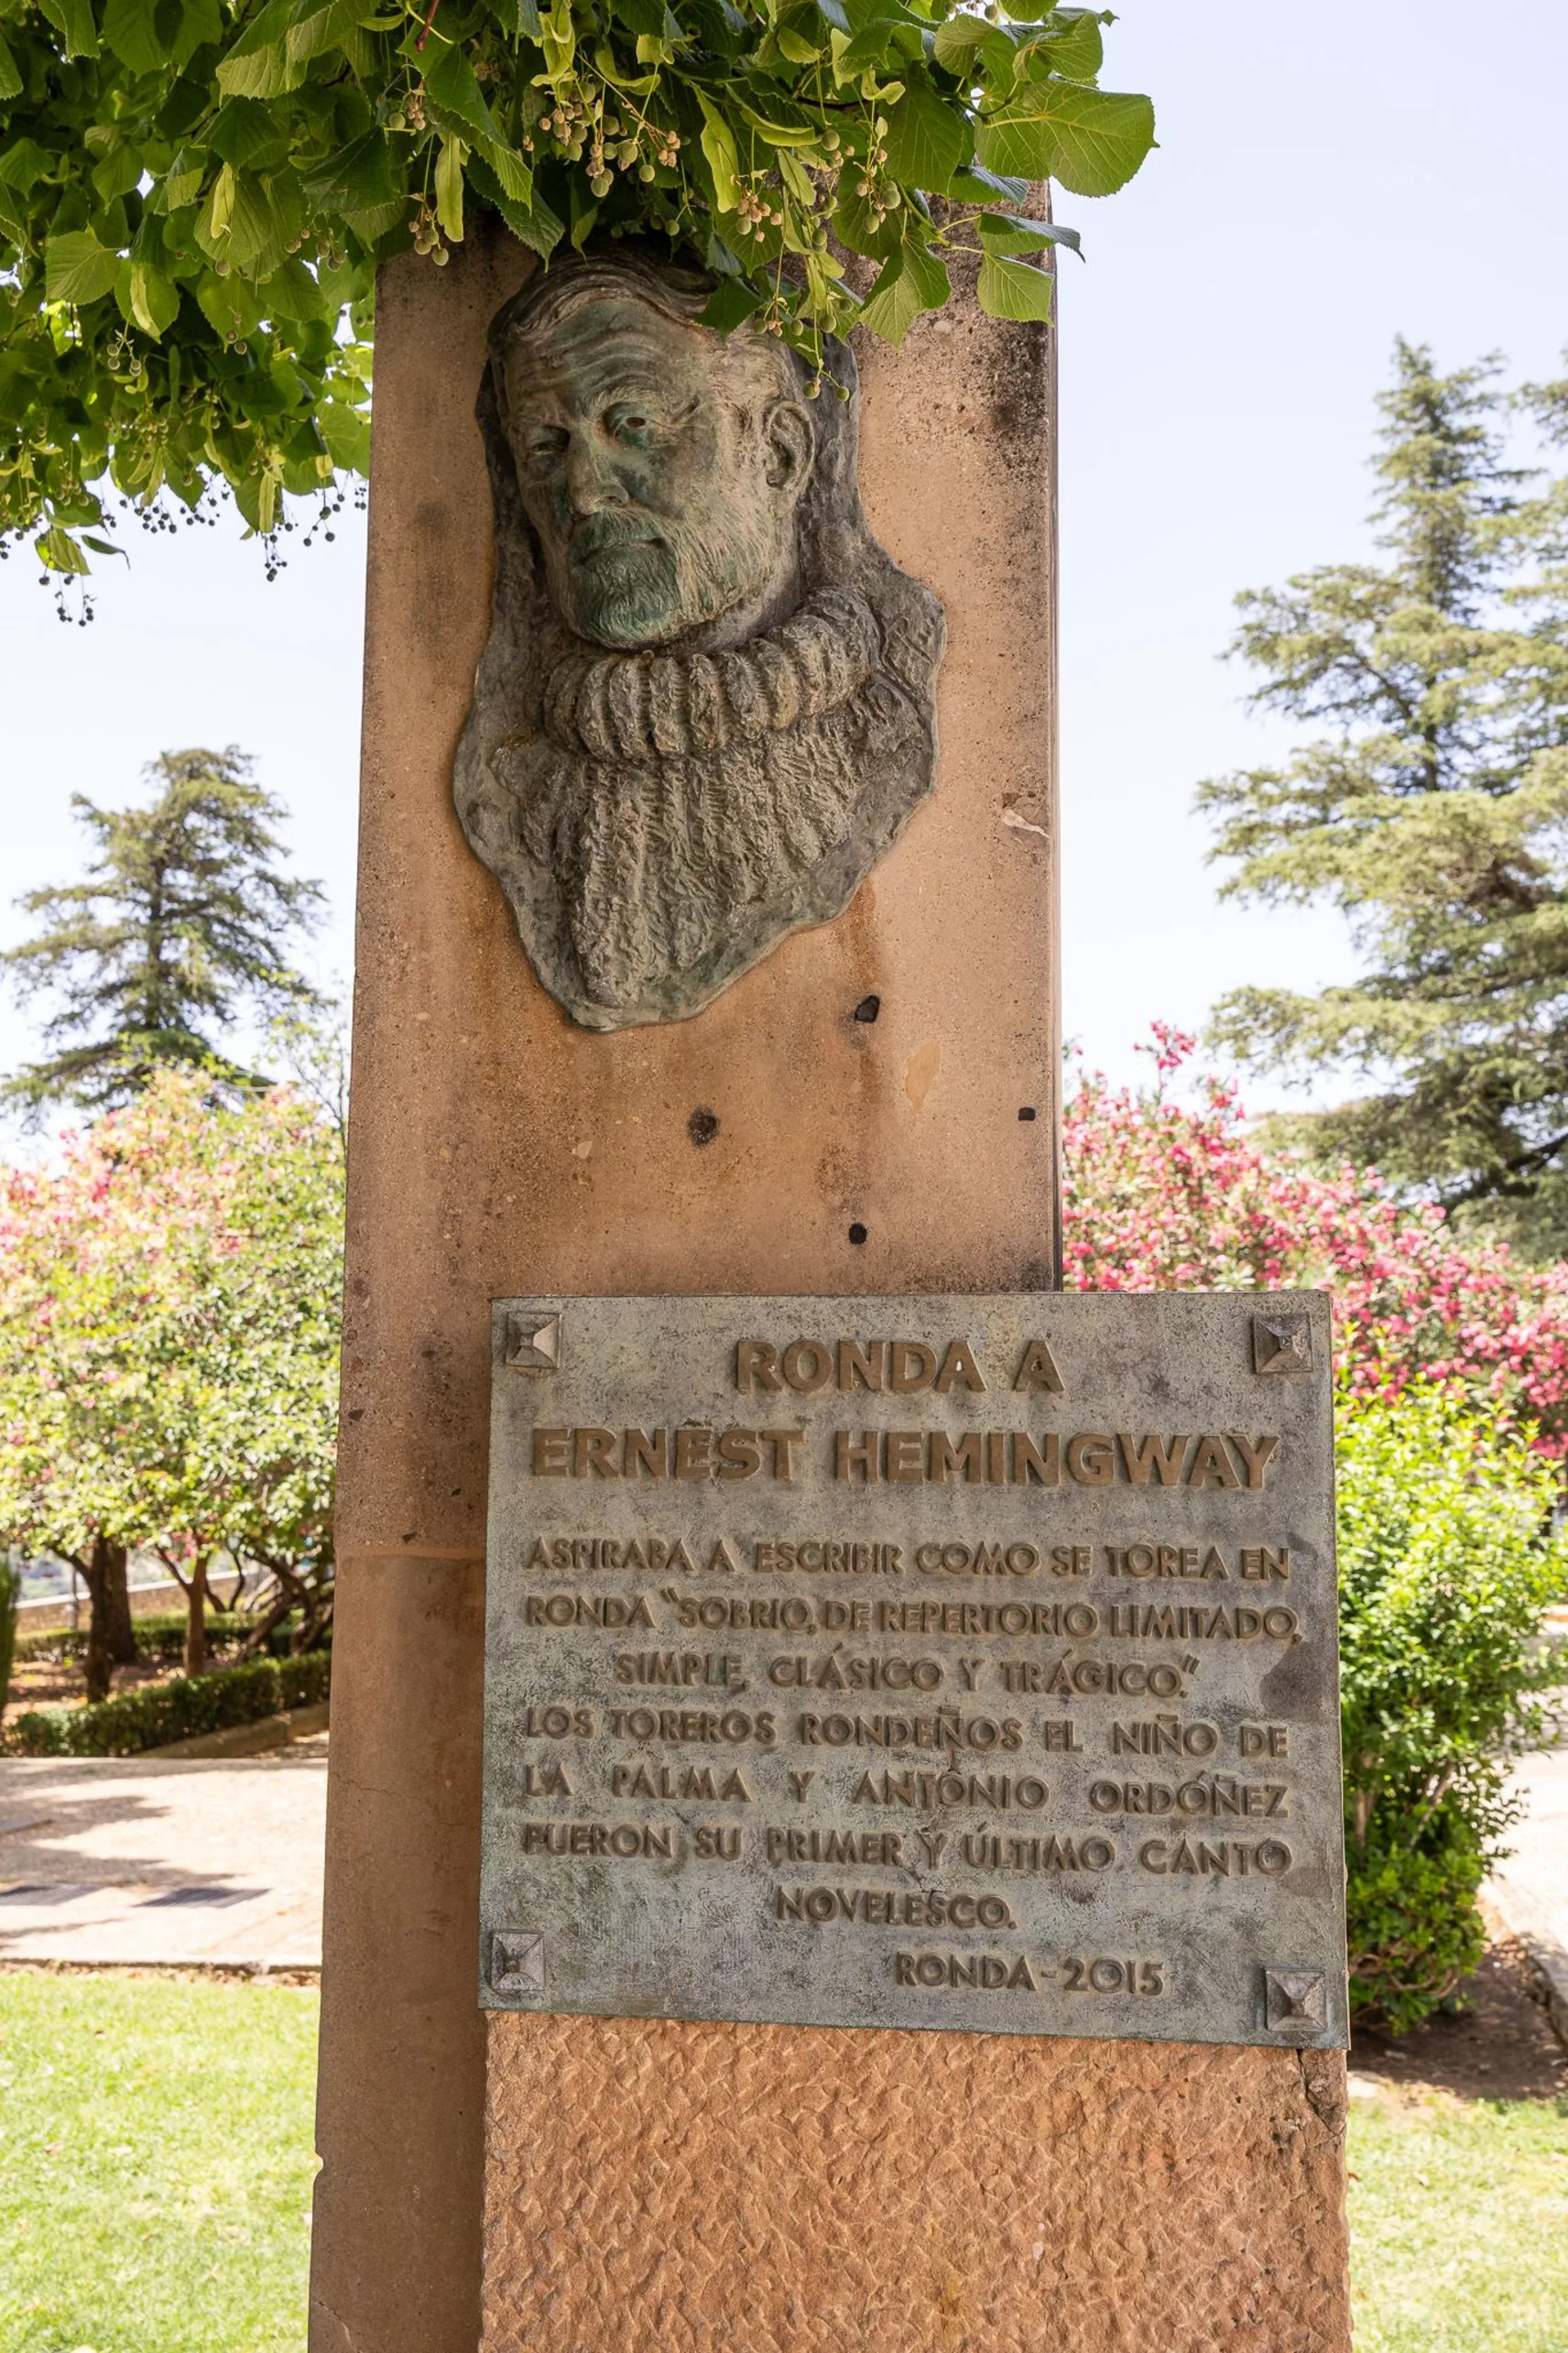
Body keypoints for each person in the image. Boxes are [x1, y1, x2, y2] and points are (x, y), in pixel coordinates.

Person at [454, 248, 945, 1031]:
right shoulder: (514, 781)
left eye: (634, 425)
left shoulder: (878, 731)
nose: (583, 491)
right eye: (546, 446)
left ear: (779, 455)